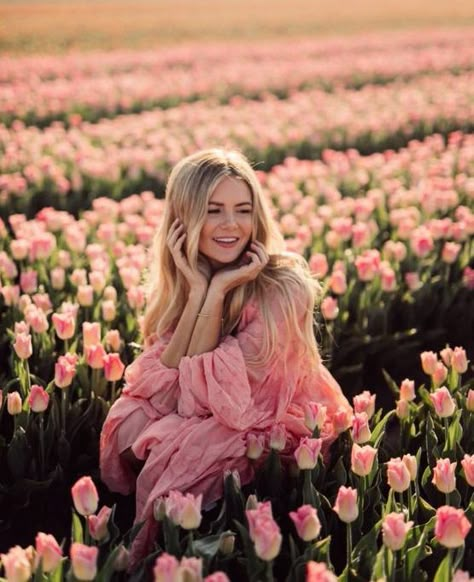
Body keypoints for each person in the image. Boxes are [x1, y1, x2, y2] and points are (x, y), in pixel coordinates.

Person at [99, 148, 352, 565]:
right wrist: (203, 291)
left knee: (180, 448)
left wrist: (215, 293)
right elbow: (158, 387)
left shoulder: (283, 286)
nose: (231, 225)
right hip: (211, 408)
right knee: (129, 419)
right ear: (185, 219)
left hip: (267, 418)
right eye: (213, 210)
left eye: (243, 210)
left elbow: (205, 400)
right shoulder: (187, 280)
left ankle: (198, 546)